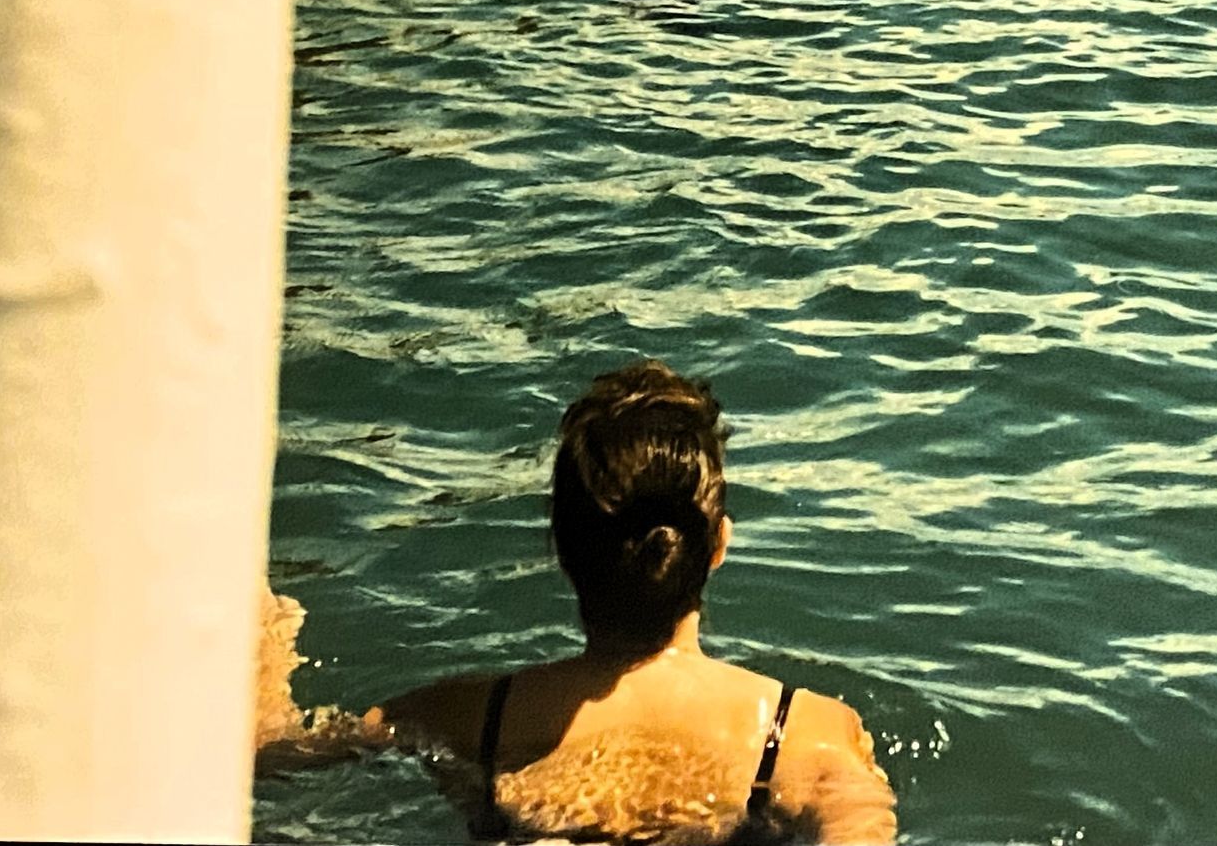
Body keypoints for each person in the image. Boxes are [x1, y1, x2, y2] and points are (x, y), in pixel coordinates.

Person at [260, 359, 896, 845]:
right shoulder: (801, 735)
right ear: (718, 545)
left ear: (562, 550)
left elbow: (269, 757)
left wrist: (266, 642)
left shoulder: (471, 719)